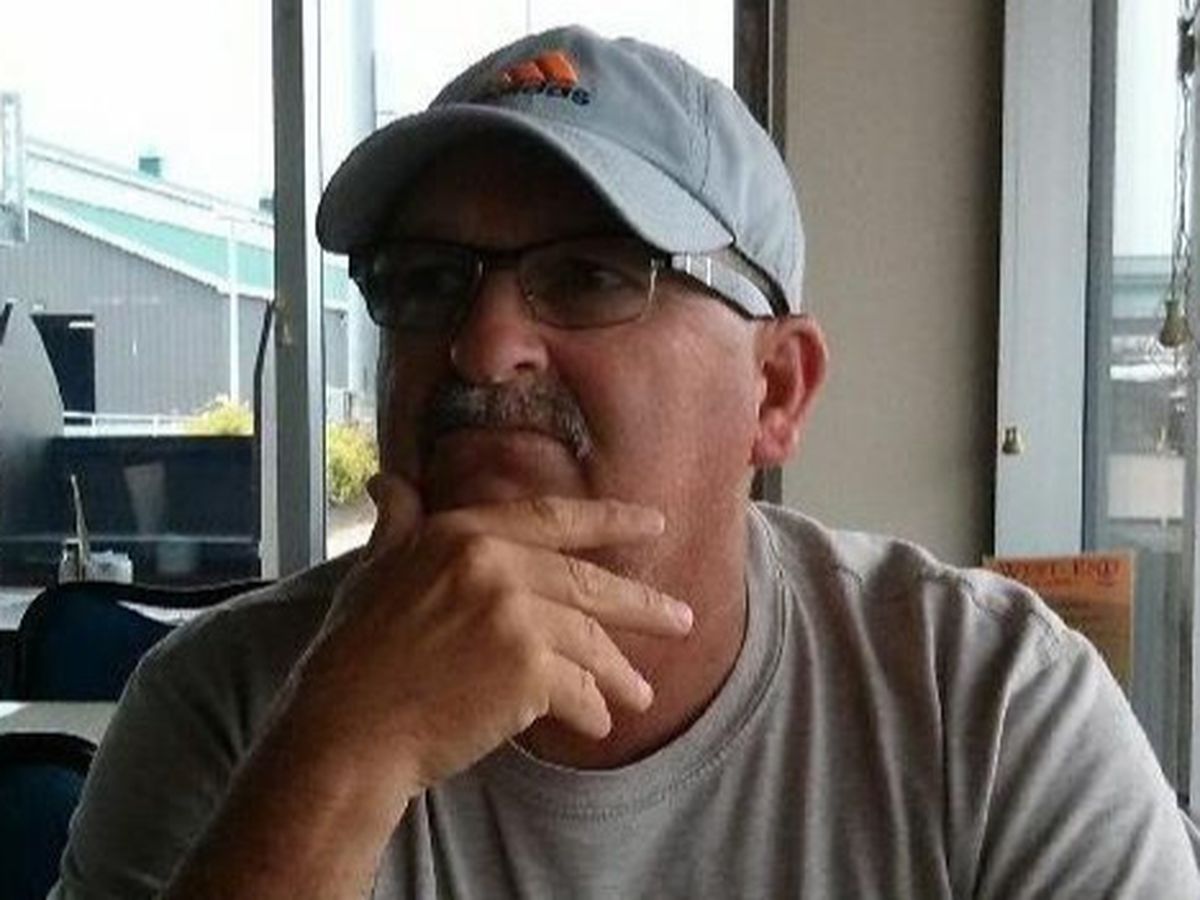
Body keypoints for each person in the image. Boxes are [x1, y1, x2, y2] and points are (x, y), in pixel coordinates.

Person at [54, 25, 1200, 899]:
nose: (484, 345)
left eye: (593, 275)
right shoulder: (233, 703)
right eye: (427, 280)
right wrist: (343, 760)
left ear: (776, 390)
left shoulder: (986, 708)